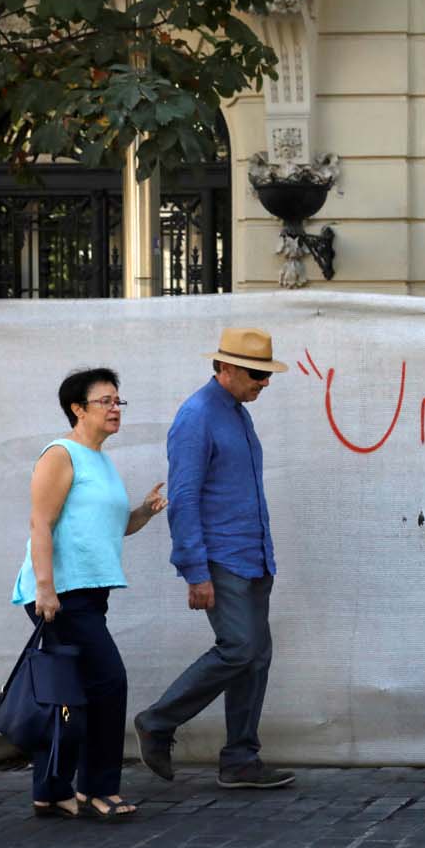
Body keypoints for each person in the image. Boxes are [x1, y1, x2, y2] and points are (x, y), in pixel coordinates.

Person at [134, 328, 294, 789]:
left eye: (267, 374)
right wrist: (194, 570)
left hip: (253, 556)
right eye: (256, 373)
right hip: (221, 557)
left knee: (256, 656)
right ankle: (158, 722)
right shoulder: (197, 416)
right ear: (224, 368)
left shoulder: (238, 414)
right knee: (240, 648)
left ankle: (241, 759)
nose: (264, 382)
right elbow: (183, 498)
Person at [12, 367, 167, 820]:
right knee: (108, 683)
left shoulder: (99, 458)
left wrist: (145, 511)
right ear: (78, 409)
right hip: (61, 594)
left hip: (88, 593)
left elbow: (115, 528)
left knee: (68, 694)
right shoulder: (61, 454)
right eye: (105, 401)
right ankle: (98, 789)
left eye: (119, 401)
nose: (115, 409)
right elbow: (40, 523)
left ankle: (51, 790)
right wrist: (45, 588)